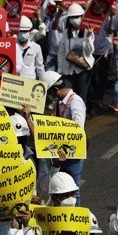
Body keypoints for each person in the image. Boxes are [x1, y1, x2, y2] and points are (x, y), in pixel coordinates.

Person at [38, 70, 86, 205]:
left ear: (55, 89)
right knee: (58, 189)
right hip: (59, 155)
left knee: (72, 191)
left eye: (50, 93)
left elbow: (78, 128)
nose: (50, 97)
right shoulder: (58, 104)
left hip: (72, 156)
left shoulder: (75, 102)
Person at [57, 3, 95, 105]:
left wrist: (89, 37)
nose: (74, 19)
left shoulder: (88, 31)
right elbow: (61, 52)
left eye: (77, 17)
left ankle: (81, 118)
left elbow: (90, 51)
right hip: (68, 70)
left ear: (82, 17)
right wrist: (60, 69)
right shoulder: (66, 32)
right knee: (68, 96)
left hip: (82, 69)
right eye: (72, 17)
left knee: (82, 96)